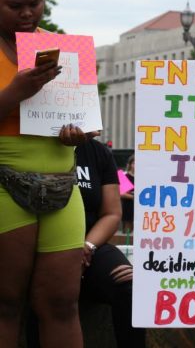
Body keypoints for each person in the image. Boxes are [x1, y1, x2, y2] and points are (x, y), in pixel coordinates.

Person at [0, 0, 87, 346]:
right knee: (6, 303)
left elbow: (82, 122)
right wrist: (15, 92)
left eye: (35, 2)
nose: (28, 13)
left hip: (61, 183)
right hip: (4, 181)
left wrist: (76, 133)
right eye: (14, 4)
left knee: (62, 301)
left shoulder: (60, 48)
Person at [26, 134, 145, 347]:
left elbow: (111, 213)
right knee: (39, 296)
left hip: (91, 245)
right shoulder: (27, 145)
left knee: (130, 287)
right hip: (41, 247)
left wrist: (87, 247)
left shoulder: (98, 152)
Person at [120, 154, 134, 235]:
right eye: (134, 163)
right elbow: (121, 193)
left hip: (140, 207)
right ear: (130, 164)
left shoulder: (143, 176)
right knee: (128, 230)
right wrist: (133, 196)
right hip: (127, 206)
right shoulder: (124, 175)